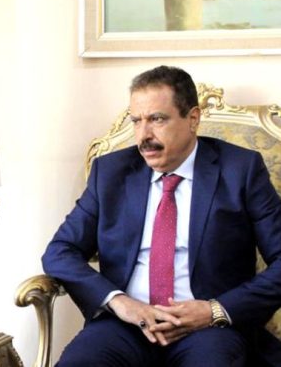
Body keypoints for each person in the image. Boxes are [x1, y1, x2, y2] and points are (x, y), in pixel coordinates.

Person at [42, 66, 281, 366]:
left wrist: (214, 310)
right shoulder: (111, 173)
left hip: (208, 329)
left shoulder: (240, 170)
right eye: (136, 121)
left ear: (193, 119)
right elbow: (60, 251)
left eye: (157, 119)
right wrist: (119, 302)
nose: (144, 135)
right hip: (125, 325)